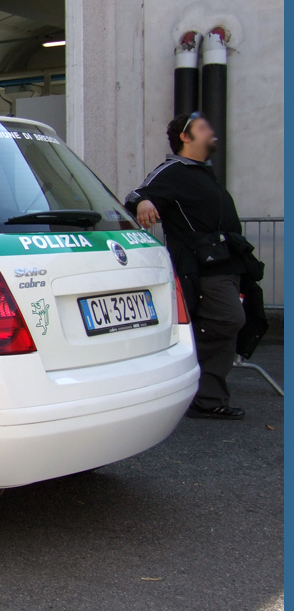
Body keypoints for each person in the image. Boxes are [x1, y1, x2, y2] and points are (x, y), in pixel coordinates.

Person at [124, 112, 249, 420]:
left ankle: (208, 396)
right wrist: (143, 202)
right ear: (185, 137)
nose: (212, 132)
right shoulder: (173, 170)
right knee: (226, 321)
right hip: (202, 269)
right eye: (204, 128)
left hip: (226, 264)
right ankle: (200, 394)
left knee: (230, 323)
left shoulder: (203, 172)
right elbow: (135, 196)